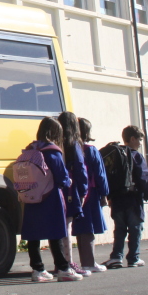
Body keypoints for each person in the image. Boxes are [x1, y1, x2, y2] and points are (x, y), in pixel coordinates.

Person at [19, 116, 82, 282]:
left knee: (34, 236)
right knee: (55, 233)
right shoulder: (52, 151)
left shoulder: (30, 149)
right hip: (50, 197)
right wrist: (68, 181)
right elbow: (61, 177)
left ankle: (37, 270)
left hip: (31, 196)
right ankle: (63, 268)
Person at [103, 125, 148, 269]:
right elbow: (144, 177)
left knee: (119, 229)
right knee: (135, 228)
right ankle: (133, 258)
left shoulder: (115, 154)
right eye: (139, 140)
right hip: (133, 199)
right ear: (132, 139)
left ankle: (116, 257)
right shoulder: (136, 156)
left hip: (116, 199)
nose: (140, 143)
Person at [72, 117, 110, 273]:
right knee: (89, 229)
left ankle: (84, 261)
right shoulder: (91, 150)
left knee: (80, 229)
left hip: (75, 192)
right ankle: (89, 262)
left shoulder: (71, 148)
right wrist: (105, 193)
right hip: (90, 193)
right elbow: (100, 174)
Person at [56, 111, 89, 277]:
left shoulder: (55, 143)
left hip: (56, 189)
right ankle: (68, 262)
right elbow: (80, 169)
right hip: (70, 189)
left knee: (58, 227)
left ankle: (60, 261)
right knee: (68, 226)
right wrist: (83, 191)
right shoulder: (74, 144)